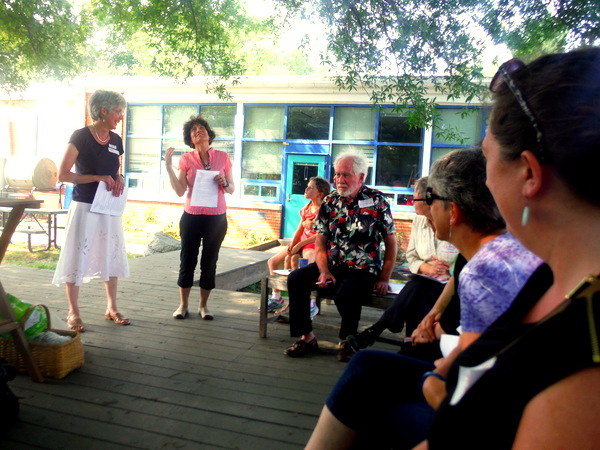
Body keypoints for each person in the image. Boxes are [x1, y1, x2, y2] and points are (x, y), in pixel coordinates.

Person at [418, 48, 600, 449]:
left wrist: (443, 398)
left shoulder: (583, 371)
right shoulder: (548, 279)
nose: (484, 182)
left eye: (486, 158)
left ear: (530, 174)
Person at [305, 147, 542, 449]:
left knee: (373, 402)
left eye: (431, 201)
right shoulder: (499, 249)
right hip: (485, 387)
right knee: (366, 366)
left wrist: (433, 380)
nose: (427, 212)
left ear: (453, 212)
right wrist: (436, 317)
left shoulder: (487, 272)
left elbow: (468, 398)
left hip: (490, 421)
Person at [283, 152, 397, 358]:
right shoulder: (330, 201)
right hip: (333, 263)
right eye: (337, 175)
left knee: (347, 292)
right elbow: (320, 240)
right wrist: (324, 271)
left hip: (363, 268)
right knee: (296, 279)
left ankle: (348, 341)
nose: (339, 180)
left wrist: (384, 277)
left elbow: (391, 243)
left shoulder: (377, 201)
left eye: (346, 175)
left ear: (361, 177)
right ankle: (307, 338)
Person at [340, 176, 456, 360]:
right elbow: (411, 257)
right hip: (426, 282)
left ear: (429, 200)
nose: (411, 203)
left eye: (415, 199)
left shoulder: (453, 221)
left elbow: (464, 260)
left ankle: (376, 330)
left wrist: (449, 270)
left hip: (449, 286)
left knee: (417, 289)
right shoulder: (418, 221)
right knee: (418, 289)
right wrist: (429, 268)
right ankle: (408, 346)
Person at [52, 90, 130, 332]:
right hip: (85, 206)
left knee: (111, 255)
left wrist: (118, 179)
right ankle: (73, 313)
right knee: (77, 256)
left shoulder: (116, 140)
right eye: (117, 111)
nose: (120, 116)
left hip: (109, 208)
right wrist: (98, 178)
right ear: (104, 111)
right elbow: (63, 175)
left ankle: (112, 307)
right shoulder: (81, 136)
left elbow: (115, 170)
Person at [164, 115, 234, 321]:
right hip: (192, 217)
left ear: (208, 134)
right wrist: (169, 167)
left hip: (216, 218)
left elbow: (231, 189)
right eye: (194, 130)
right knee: (187, 260)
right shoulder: (186, 159)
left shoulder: (223, 157)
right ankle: (183, 305)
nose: (198, 131)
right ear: (190, 139)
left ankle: (204, 306)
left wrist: (224, 182)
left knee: (209, 262)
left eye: (201, 128)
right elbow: (179, 191)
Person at [267, 176, 331, 314]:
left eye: (310, 187)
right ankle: (277, 298)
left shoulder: (325, 210)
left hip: (313, 244)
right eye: (307, 186)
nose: (306, 189)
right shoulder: (306, 208)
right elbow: (299, 230)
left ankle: (310, 302)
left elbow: (319, 235)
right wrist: (293, 244)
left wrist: (300, 245)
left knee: (305, 265)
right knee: (273, 261)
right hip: (301, 242)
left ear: (320, 194)